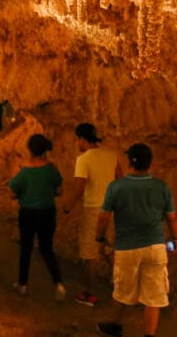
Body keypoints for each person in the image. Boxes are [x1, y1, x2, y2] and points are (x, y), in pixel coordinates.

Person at [95, 143, 177, 337]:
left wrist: (100, 239)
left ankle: (115, 326)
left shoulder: (117, 187)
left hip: (127, 247)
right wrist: (175, 238)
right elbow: (171, 217)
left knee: (123, 290)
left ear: (130, 161)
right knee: (154, 296)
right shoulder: (161, 187)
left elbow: (104, 216)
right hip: (156, 246)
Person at [62, 123, 121, 306]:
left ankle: (89, 294)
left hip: (94, 210)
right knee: (109, 249)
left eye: (77, 139)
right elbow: (120, 181)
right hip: (111, 210)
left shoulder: (84, 159)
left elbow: (79, 188)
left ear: (82, 139)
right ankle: (121, 287)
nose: (77, 143)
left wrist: (67, 208)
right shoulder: (111, 155)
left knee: (91, 254)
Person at [7, 134, 66, 301]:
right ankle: (59, 283)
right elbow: (60, 191)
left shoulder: (24, 172)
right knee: (46, 248)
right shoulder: (51, 169)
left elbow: (12, 193)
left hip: (28, 213)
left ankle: (23, 284)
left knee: (26, 248)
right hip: (47, 212)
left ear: (30, 150)